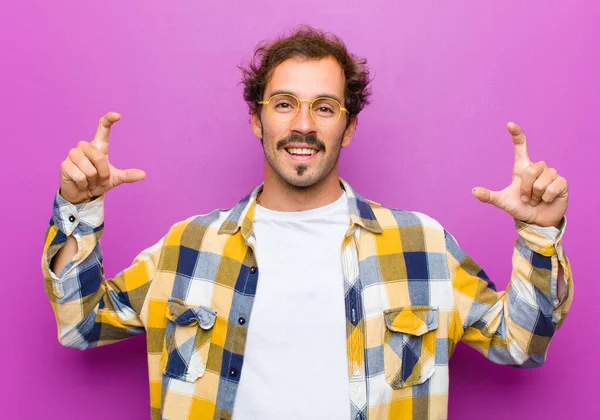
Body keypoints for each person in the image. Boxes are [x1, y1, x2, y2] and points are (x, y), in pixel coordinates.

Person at [41, 26, 573, 420]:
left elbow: (522, 343)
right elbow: (81, 322)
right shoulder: (189, 246)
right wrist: (77, 209)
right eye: (284, 104)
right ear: (256, 118)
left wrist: (540, 235)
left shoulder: (422, 245)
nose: (302, 124)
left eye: (323, 107)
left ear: (349, 125)